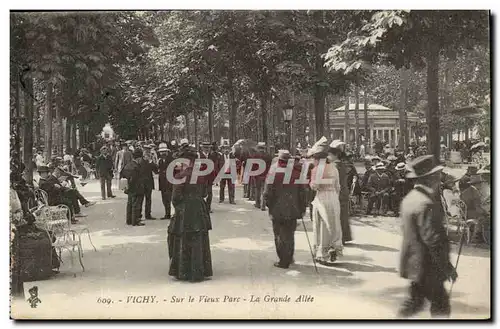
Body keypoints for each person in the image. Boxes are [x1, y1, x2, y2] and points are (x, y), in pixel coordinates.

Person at [398, 155, 457, 318]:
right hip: (427, 266)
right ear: (429, 178)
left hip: (413, 264)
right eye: (436, 175)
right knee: (441, 306)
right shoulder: (425, 203)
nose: (439, 179)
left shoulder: (409, 199)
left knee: (413, 304)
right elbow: (433, 240)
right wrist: (447, 267)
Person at [168, 145, 213, 282]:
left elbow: (176, 197)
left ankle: (183, 271)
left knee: (182, 238)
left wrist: (178, 207)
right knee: (199, 238)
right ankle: (199, 271)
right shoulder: (201, 175)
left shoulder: (180, 175)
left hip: (184, 209)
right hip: (199, 208)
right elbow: (205, 193)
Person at [263, 150, 306, 269]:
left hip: (277, 209)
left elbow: (267, 192)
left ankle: (283, 260)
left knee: (278, 234)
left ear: (279, 160)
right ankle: (289, 257)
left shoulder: (273, 172)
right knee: (289, 234)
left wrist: (268, 205)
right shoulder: (297, 173)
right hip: (293, 209)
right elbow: (303, 192)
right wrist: (302, 208)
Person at [308, 138, 343, 265]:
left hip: (322, 197)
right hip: (333, 197)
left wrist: (310, 183)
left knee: (321, 224)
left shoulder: (316, 170)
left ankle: (321, 252)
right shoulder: (334, 168)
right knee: (333, 223)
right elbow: (338, 186)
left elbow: (315, 186)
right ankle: (334, 247)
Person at [330, 140, 352, 244]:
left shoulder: (335, 165)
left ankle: (340, 238)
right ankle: (344, 236)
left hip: (338, 192)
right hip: (343, 191)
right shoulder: (342, 164)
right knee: (343, 215)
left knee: (338, 215)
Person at [121, 149, 146, 226]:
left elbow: (123, 175)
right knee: (137, 205)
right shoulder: (136, 166)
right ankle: (135, 221)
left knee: (130, 204)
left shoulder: (128, 165)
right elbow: (135, 178)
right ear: (139, 158)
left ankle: (129, 220)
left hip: (129, 188)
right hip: (137, 188)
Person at [140, 145, 158, 220]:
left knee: (148, 199)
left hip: (149, 183)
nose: (147, 153)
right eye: (146, 151)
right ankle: (138, 215)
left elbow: (156, 171)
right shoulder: (140, 161)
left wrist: (151, 162)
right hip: (141, 183)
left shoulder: (150, 161)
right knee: (140, 199)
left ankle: (148, 214)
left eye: (148, 152)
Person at [157, 143, 174, 219]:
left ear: (167, 152)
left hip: (170, 182)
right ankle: (167, 214)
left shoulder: (171, 160)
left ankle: (171, 213)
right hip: (162, 183)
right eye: (161, 152)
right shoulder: (160, 161)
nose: (163, 153)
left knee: (170, 198)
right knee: (164, 199)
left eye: (164, 151)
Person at [253, 143, 272, 211]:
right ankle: (263, 205)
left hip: (257, 175)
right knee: (264, 190)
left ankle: (257, 203)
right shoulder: (268, 155)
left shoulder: (255, 155)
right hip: (266, 175)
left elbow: (253, 166)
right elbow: (271, 166)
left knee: (257, 189)